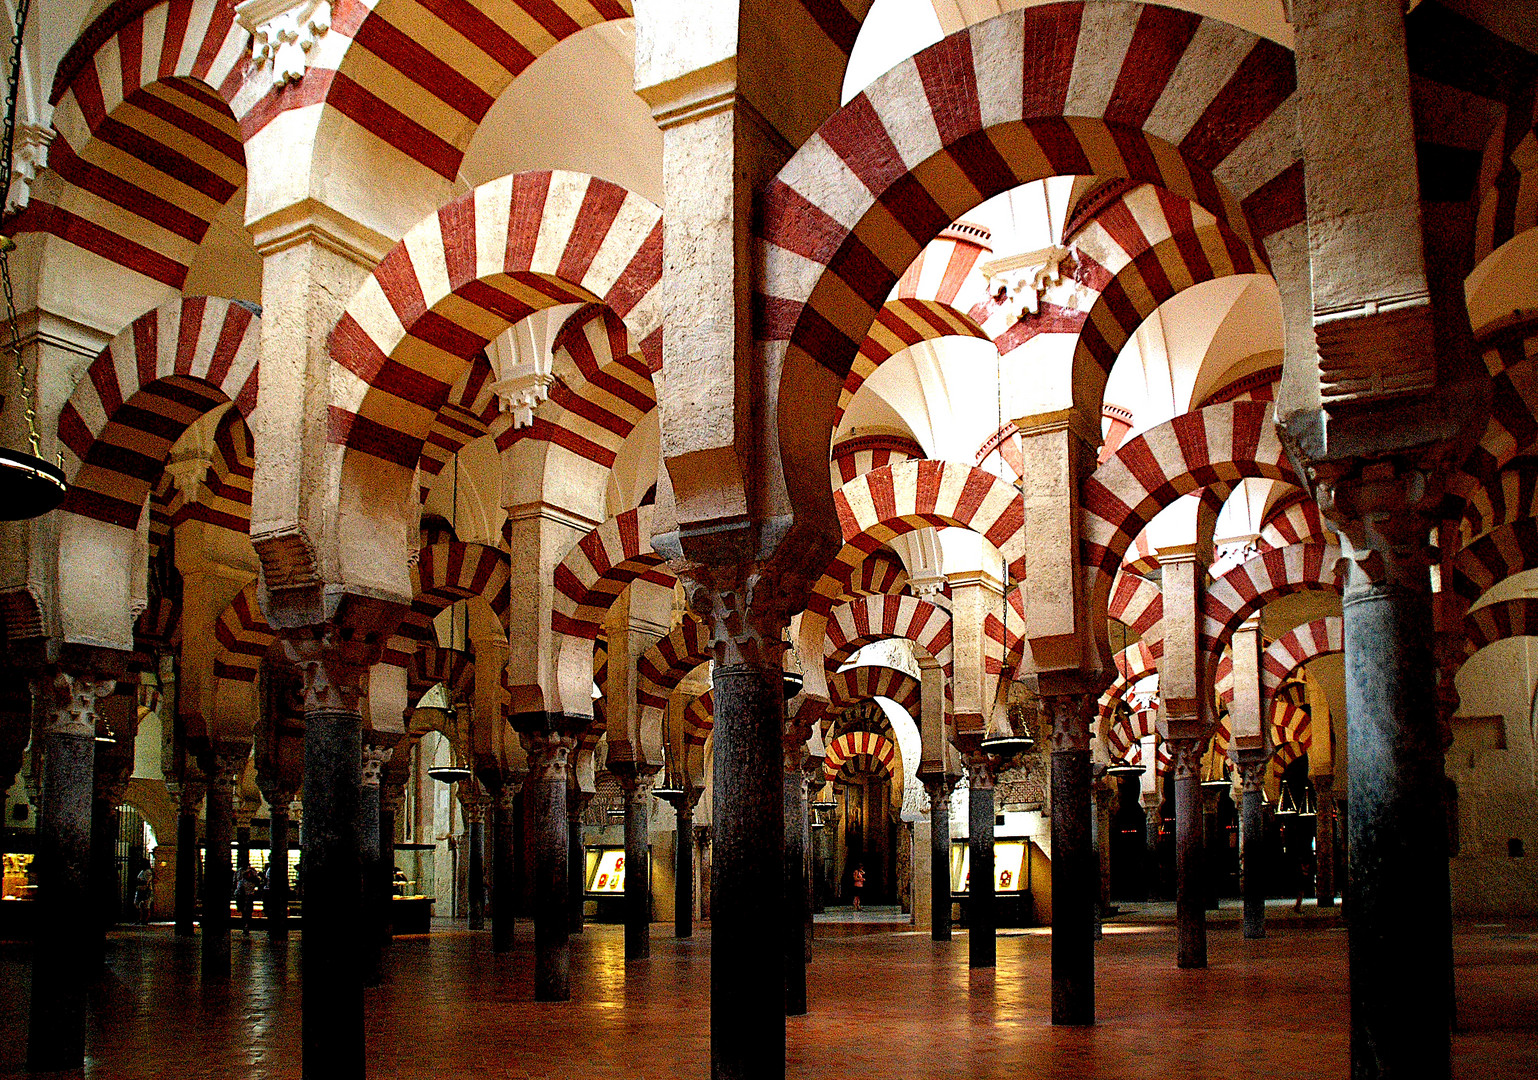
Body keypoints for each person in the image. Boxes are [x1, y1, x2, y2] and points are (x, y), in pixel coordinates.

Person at [235, 866, 262, 934]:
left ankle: (246, 925)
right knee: (246, 911)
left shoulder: (243, 882)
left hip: (246, 897)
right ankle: (246, 925)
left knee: (246, 911)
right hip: (246, 897)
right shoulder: (248, 882)